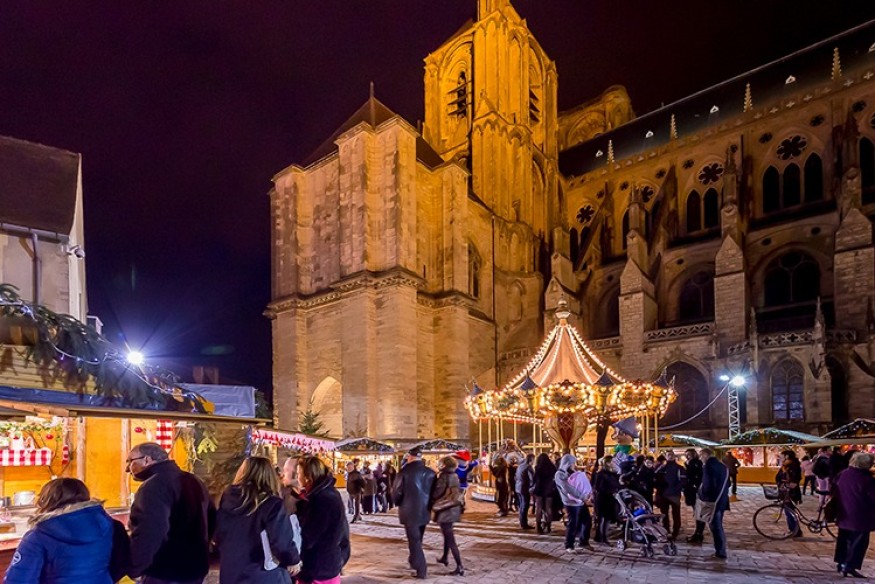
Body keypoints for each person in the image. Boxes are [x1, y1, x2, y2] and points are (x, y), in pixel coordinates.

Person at [4, 478, 129, 584]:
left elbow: (19, 580)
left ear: (46, 500)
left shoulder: (38, 536)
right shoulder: (110, 526)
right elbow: (121, 564)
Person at [125, 442, 214, 584]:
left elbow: (150, 531)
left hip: (165, 571)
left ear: (147, 459)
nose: (127, 469)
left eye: (130, 461)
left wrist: (134, 567)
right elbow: (211, 520)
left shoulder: (153, 486)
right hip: (196, 567)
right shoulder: (194, 480)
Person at [214, 457, 301, 584]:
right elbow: (281, 540)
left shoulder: (227, 500)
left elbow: (218, 535)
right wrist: (293, 560)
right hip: (263, 574)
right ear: (269, 475)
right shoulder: (271, 504)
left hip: (232, 573)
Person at [295, 455, 351, 584]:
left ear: (308, 477)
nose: (297, 477)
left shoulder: (320, 499)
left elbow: (309, 536)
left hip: (318, 569)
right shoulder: (327, 493)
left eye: (299, 473)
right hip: (327, 565)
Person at [392, 446, 436, 580]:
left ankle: (421, 569)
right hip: (425, 510)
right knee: (418, 538)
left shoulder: (404, 472)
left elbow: (396, 491)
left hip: (409, 510)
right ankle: (413, 560)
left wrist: (397, 502)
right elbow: (435, 492)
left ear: (410, 457)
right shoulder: (430, 473)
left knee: (414, 540)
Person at [832, 452, 875, 578]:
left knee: (843, 540)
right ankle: (849, 566)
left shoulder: (843, 474)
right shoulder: (866, 479)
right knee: (859, 542)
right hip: (861, 516)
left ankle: (841, 563)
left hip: (843, 513)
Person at [430, 456, 464, 576]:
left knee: (450, 538)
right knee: (446, 534)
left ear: (444, 465)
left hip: (445, 509)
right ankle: (445, 557)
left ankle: (459, 566)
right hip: (453, 508)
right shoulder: (454, 475)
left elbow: (437, 492)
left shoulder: (443, 476)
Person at [554, 453, 593, 553]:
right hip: (571, 502)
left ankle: (584, 541)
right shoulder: (559, 474)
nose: (574, 465)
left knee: (587, 521)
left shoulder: (572, 472)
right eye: (572, 463)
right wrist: (582, 496)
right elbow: (568, 488)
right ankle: (569, 545)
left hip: (580, 501)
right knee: (573, 524)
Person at [698, 448, 730, 559]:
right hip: (722, 500)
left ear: (706, 455)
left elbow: (707, 485)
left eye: (701, 455)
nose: (700, 458)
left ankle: (720, 552)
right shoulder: (722, 466)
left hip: (712, 501)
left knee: (715, 527)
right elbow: (729, 483)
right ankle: (721, 550)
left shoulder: (708, 466)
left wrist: (702, 495)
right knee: (718, 525)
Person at [654, 450, 685, 540]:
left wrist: (676, 489)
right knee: (664, 514)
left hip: (674, 495)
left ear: (674, 456)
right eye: (668, 455)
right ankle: (666, 530)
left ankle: (676, 531)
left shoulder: (679, 468)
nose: (670, 457)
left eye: (671, 455)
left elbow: (683, 480)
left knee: (676, 514)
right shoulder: (662, 468)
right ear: (666, 457)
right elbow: (655, 478)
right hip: (663, 495)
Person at [593, 455, 621, 545]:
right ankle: (602, 537)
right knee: (603, 519)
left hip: (611, 498)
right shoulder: (601, 474)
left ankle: (602, 537)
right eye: (612, 462)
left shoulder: (613, 473)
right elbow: (598, 487)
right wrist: (610, 491)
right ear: (608, 463)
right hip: (603, 498)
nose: (613, 464)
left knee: (607, 518)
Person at [776, 450, 803, 536]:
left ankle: (795, 531)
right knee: (789, 511)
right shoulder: (786, 465)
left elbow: (796, 478)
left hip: (790, 492)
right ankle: (793, 530)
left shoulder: (793, 465)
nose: (781, 458)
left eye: (782, 456)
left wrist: (789, 484)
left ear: (787, 456)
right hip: (785, 490)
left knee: (790, 511)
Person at [531, 453, 557, 535]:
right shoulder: (552, 468)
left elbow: (534, 479)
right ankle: (548, 526)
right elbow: (554, 479)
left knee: (538, 508)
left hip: (539, 490)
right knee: (548, 508)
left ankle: (538, 526)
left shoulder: (538, 468)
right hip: (549, 490)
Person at [684, 449, 705, 544]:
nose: (688, 456)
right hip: (692, 491)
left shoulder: (696, 464)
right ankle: (699, 533)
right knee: (697, 512)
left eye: (689, 454)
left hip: (696, 491)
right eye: (686, 455)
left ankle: (699, 533)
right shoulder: (691, 463)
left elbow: (693, 476)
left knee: (698, 513)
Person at [515, 453, 535, 529]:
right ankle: (524, 523)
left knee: (521, 505)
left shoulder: (520, 466)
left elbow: (516, 476)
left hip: (518, 487)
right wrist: (532, 487)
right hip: (524, 488)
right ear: (531, 459)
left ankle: (522, 521)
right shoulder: (528, 467)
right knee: (525, 506)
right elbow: (532, 479)